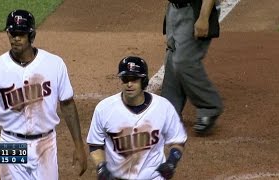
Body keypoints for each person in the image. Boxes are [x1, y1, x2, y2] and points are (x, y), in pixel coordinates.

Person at [0, 9, 87, 179]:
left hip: (45, 144)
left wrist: (79, 146)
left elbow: (67, 104)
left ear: (31, 35)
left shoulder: (54, 64)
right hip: (11, 145)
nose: (15, 38)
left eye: (20, 34)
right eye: (12, 33)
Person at [86, 56, 187, 180]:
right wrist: (101, 167)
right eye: (125, 79)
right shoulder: (104, 109)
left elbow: (177, 140)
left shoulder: (163, 107)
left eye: (134, 79)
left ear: (143, 81)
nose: (129, 84)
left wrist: (172, 162)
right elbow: (95, 144)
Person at [161, 0, 224, 135]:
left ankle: (210, 107)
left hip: (196, 9)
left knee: (184, 61)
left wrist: (203, 17)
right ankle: (169, 112)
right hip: (174, 8)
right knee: (172, 58)